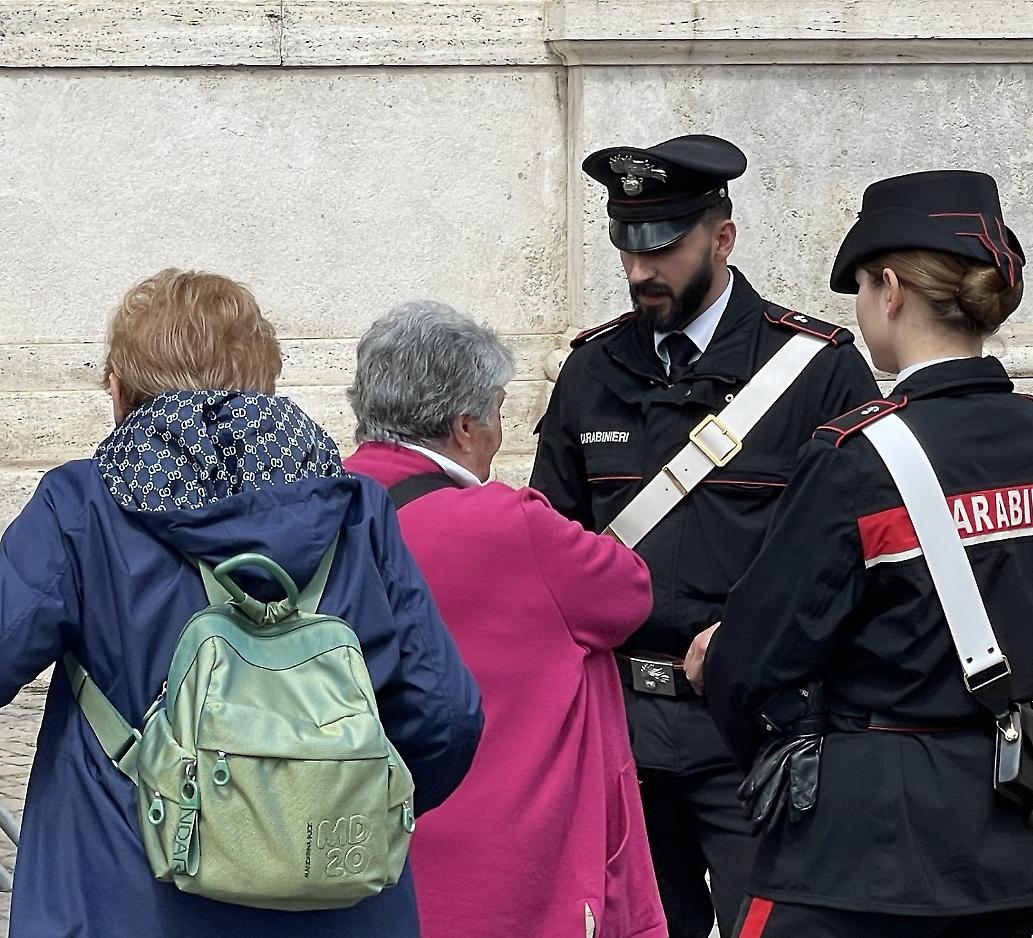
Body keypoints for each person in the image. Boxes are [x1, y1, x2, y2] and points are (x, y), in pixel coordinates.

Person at [0, 269, 483, 938]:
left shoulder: (82, 507)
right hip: (338, 909)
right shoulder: (356, 509)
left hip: (118, 900)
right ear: (266, 385)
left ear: (119, 393)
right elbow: (448, 716)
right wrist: (324, 807)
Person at [691, 171, 1033, 937]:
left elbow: (757, 656)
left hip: (865, 838)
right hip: (1008, 815)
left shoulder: (857, 455)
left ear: (888, 288)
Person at [530, 134, 880, 938]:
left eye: (663, 248)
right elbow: (548, 543)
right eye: (626, 244)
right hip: (619, 729)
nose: (639, 271)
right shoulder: (594, 370)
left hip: (753, 730)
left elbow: (860, 560)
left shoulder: (815, 370)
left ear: (721, 237)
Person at [344, 301, 667, 938]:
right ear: (465, 426)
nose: (498, 431)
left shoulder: (314, 508)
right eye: (497, 411)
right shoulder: (510, 526)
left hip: (353, 860)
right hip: (505, 879)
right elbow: (628, 592)